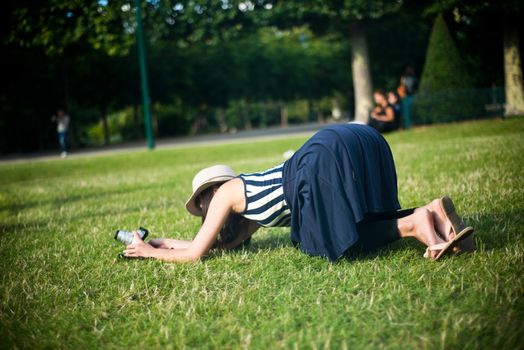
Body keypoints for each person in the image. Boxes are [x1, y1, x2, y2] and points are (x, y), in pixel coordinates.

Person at [122, 123, 475, 263]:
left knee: (332, 242)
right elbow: (210, 245)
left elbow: (195, 255)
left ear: (208, 195)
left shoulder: (228, 192)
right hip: (354, 139)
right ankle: (431, 215)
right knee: (353, 220)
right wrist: (159, 242)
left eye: (202, 204)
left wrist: (146, 254)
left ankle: (416, 225)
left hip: (316, 163)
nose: (204, 211)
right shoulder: (247, 212)